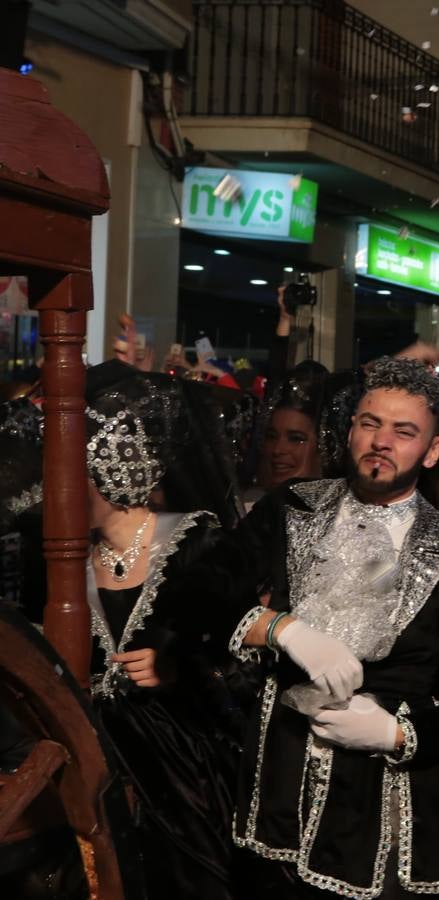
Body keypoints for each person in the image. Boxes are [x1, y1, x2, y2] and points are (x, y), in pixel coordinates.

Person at [172, 356, 439, 898]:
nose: (382, 441)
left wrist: (400, 734)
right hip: (276, 791)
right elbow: (198, 594)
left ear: (432, 450)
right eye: (370, 424)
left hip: (382, 814)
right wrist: (280, 629)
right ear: (350, 431)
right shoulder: (290, 508)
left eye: (404, 431)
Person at [80, 362, 240, 899]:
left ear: (110, 468)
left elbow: (241, 655)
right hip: (101, 762)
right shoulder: (63, 561)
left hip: (181, 769)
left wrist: (180, 669)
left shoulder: (195, 539)